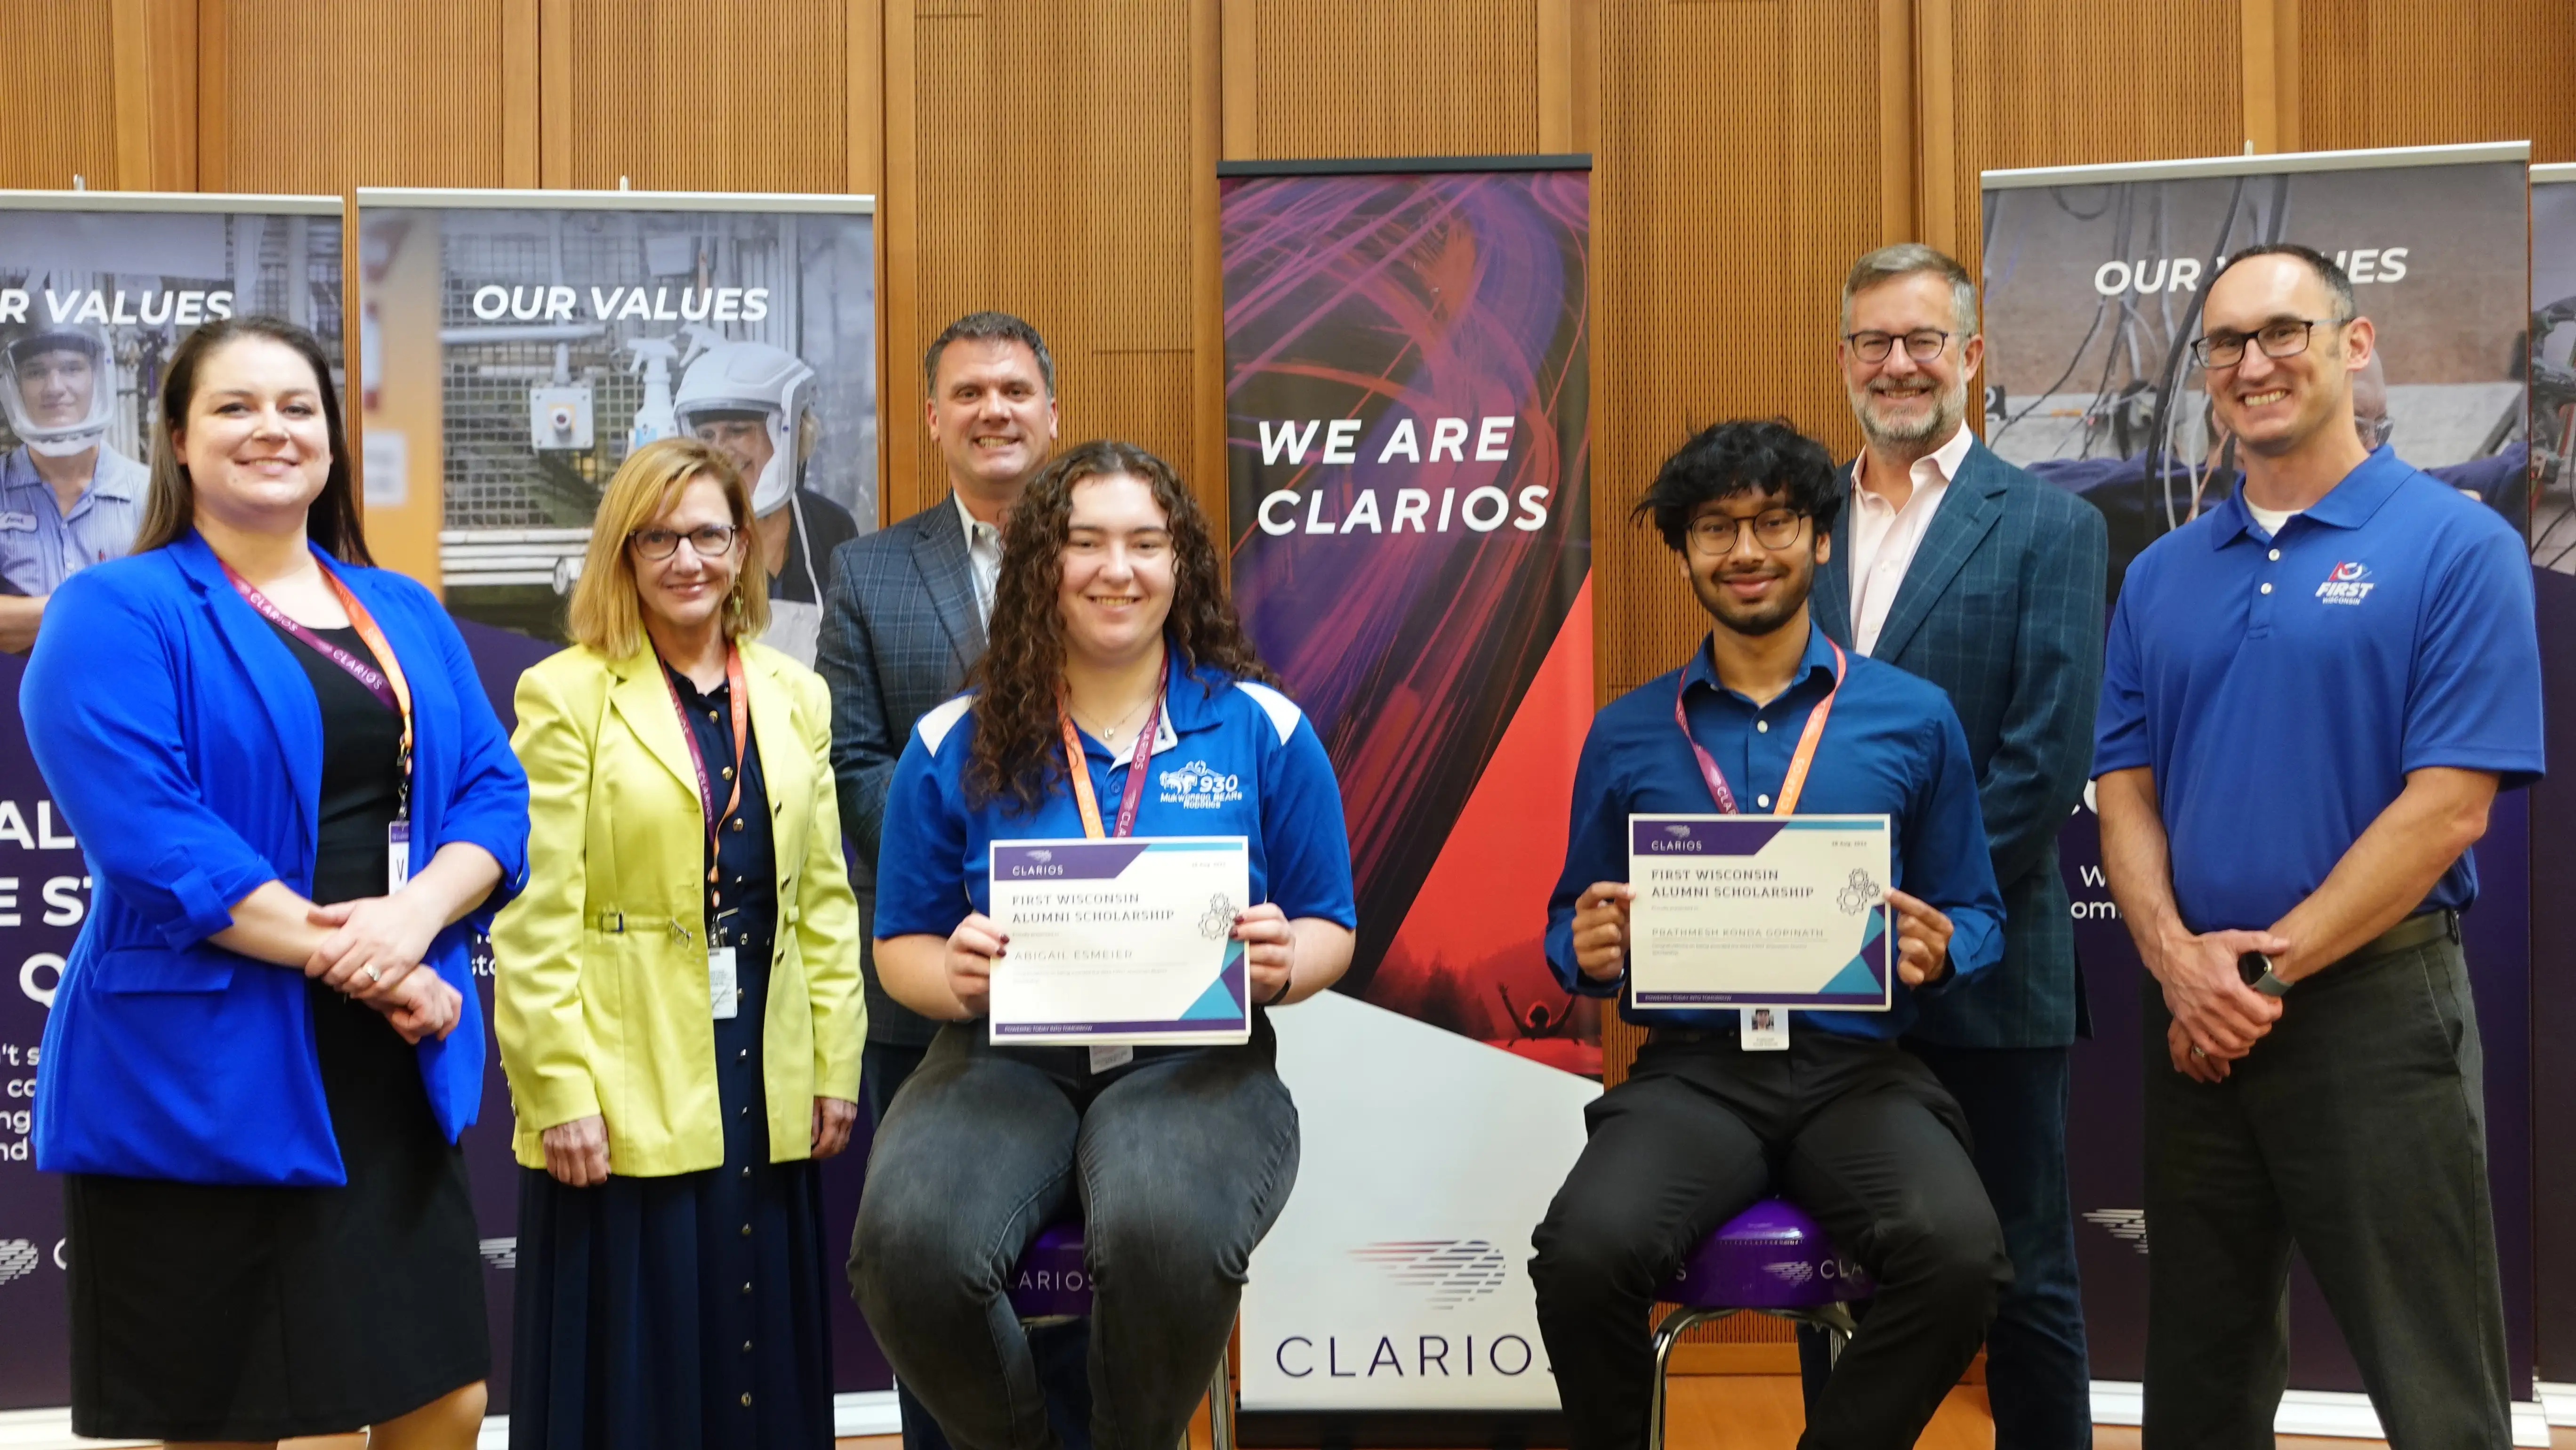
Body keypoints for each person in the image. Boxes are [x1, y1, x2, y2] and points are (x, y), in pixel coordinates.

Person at [22, 315, 529, 1447]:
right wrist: (366, 960)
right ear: (177, 440)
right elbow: (160, 845)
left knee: (441, 1401)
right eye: (235, 408)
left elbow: (495, 796)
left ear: (333, 440)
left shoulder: (400, 609)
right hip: (204, 1078)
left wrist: (411, 921)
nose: (272, 430)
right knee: (238, 1422)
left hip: (388, 1062)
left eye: (297, 408)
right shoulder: (116, 611)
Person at [2095, 243, 2542, 1448]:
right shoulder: (2157, 575)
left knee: (2431, 1373)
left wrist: (2258, 975)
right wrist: (2180, 965)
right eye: (2226, 344)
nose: (2253, 364)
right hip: (2195, 1020)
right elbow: (2121, 790)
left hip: (2369, 1014)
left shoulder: (2454, 547)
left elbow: (2447, 806)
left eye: (2282, 331)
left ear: (2354, 342)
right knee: (2196, 1374)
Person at [850, 439, 1356, 1450]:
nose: (1115, 569)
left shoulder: (1262, 728)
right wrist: (949, 978)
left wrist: (1284, 959)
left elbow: (1330, 926)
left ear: (1181, 565)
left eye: (1144, 543)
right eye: (1085, 543)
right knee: (904, 1250)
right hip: (1000, 1061)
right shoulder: (956, 738)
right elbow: (899, 945)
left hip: (1194, 1066)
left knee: (1168, 1232)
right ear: (1044, 564)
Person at [1530, 418, 2010, 1450]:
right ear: (1686, 551)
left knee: (1962, 1255)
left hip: (1857, 1071)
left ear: (1821, 540)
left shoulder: (1913, 719)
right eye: (1715, 529)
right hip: (1696, 1075)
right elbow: (1570, 923)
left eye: (1775, 523)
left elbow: (1979, 914)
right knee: (1580, 1254)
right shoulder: (1626, 731)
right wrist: (1587, 948)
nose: (1746, 551)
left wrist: (1943, 948)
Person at [494, 435, 865, 1450]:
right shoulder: (566, 692)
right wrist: (558, 1086)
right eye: (659, 538)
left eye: (709, 534)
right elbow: (535, 915)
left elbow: (824, 899)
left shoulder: (795, 693)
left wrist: (836, 1060)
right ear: (624, 553)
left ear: (746, 548)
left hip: (766, 1051)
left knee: (759, 1323)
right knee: (643, 1341)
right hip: (626, 1062)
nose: (687, 559)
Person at [1806, 243, 2106, 1449]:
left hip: (1984, 967)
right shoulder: (1792, 523)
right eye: (1873, 341)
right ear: (1842, 362)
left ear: (1970, 357)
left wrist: (1905, 918)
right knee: (1840, 1278)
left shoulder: (2049, 527)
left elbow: (2040, 765)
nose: (1897, 364)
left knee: (2022, 1275)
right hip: (1821, 986)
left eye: (1922, 340)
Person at [814, 310, 1079, 1449]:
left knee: (1096, 1270)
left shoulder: (1117, 557)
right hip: (926, 982)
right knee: (936, 1263)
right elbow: (850, 761)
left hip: (1102, 978)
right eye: (967, 394)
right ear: (932, 420)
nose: (992, 411)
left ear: (1051, 413)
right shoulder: (869, 575)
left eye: (1014, 390)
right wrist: (974, 870)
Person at [676, 340, 863, 665]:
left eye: (737, 431)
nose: (720, 449)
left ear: (791, 435)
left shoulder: (832, 526)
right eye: (707, 436)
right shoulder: (681, 536)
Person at [0, 321, 150, 651]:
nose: (55, 387)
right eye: (36, 372)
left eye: (72, 368)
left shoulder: (149, 493)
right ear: (16, 384)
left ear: (97, 377)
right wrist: (100, 607)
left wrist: (23, 617)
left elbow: (166, 614)